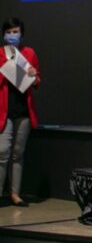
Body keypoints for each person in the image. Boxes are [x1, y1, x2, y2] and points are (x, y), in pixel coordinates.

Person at [0, 18, 40, 207]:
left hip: (23, 110)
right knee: (2, 153)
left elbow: (37, 80)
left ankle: (15, 194)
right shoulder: (0, 53)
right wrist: (6, 69)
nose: (12, 35)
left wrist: (33, 74)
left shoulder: (29, 52)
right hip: (4, 111)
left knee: (17, 153)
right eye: (9, 32)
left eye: (15, 32)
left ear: (21, 34)